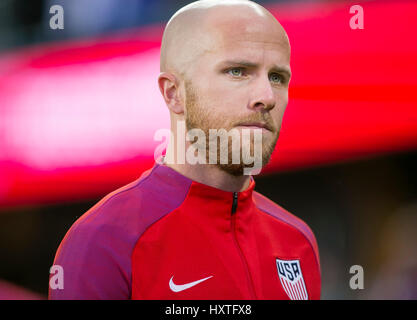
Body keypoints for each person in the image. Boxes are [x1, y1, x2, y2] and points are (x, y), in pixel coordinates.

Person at [49, 0, 321, 300]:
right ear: (174, 93)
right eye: (238, 71)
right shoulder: (103, 242)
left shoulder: (298, 241)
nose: (266, 96)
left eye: (277, 77)